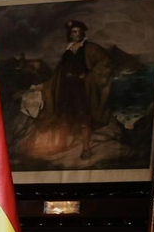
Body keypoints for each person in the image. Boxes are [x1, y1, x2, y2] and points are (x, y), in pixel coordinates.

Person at [43, 19, 112, 160]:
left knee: (83, 117)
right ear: (70, 34)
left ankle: (86, 149)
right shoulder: (68, 51)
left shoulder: (89, 48)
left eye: (80, 31)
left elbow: (106, 62)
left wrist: (89, 75)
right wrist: (47, 85)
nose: (77, 34)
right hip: (66, 88)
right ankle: (61, 145)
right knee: (64, 115)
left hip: (81, 88)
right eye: (74, 32)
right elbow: (60, 71)